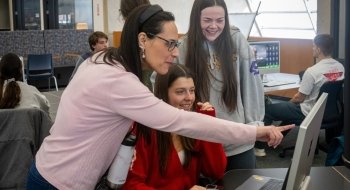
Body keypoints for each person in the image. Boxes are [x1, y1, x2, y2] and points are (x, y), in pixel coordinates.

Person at [27, 5, 293, 190]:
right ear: (143, 39)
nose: (175, 53)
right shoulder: (119, 81)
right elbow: (184, 122)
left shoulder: (102, 60)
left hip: (51, 167)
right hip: (60, 182)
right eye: (170, 43)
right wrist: (257, 131)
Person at [175, 0, 264, 170]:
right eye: (207, 20)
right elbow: (163, 83)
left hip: (238, 142)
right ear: (196, 19)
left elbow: (253, 86)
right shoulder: (184, 45)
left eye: (220, 20)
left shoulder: (236, 39)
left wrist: (255, 125)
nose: (214, 26)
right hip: (199, 142)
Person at [123, 64, 226, 189]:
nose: (189, 98)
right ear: (164, 94)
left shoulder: (192, 124)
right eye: (180, 92)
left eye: (192, 90)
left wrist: (207, 123)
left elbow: (216, 171)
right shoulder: (145, 129)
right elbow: (131, 185)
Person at [264, 34, 345, 126]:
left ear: (318, 50)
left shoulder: (312, 71)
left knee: (267, 110)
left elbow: (299, 98)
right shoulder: (340, 67)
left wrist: (289, 104)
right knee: (288, 111)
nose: (312, 49)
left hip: (308, 113)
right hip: (331, 112)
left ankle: (263, 138)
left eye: (313, 46)